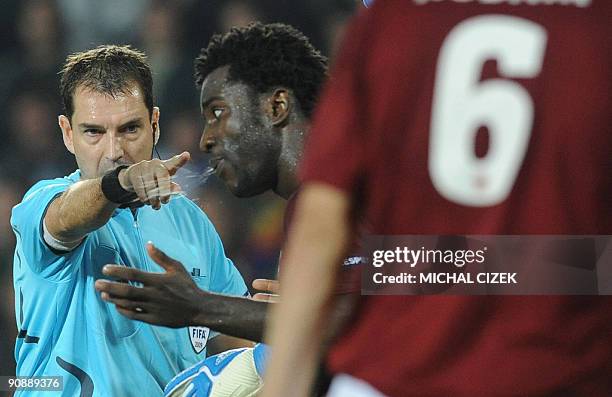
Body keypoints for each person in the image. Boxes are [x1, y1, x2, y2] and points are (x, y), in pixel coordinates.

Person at [262, 1, 612, 397]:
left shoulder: (394, 22)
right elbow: (588, 264)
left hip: (388, 373)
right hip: (558, 372)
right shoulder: (597, 27)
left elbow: (320, 229)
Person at [93, 23, 360, 395]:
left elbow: (358, 321)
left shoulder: (352, 191)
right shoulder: (313, 204)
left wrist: (199, 306)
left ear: (276, 106)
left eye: (218, 113)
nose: (206, 139)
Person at [11, 45, 251, 397]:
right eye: (93, 132)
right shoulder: (43, 203)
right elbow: (64, 219)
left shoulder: (192, 224)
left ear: (154, 125)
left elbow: (240, 343)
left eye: (130, 129)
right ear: (67, 133)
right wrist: (119, 184)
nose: (114, 151)